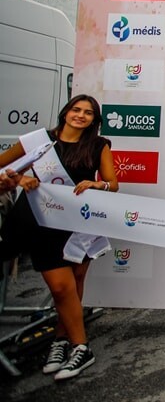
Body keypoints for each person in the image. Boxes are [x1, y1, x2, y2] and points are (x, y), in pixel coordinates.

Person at [0, 95, 118, 381]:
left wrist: (97, 184)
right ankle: (80, 346)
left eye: (88, 113)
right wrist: (18, 179)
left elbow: (112, 184)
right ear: (66, 112)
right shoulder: (39, 141)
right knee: (60, 288)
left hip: (78, 222)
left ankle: (62, 340)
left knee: (74, 283)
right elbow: (3, 168)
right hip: (41, 221)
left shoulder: (99, 145)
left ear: (94, 120)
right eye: (76, 110)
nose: (81, 115)